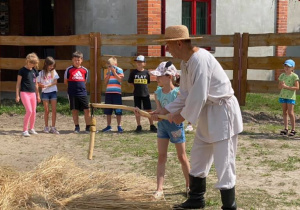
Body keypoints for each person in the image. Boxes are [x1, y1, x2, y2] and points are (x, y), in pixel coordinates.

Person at [152, 25, 243, 209]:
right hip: (207, 112)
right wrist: (165, 109)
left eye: (168, 45)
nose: (167, 49)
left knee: (224, 161)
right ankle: (196, 199)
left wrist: (182, 116)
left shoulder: (200, 59)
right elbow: (185, 94)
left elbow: (199, 94)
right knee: (199, 156)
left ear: (179, 43)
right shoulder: (186, 62)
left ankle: (229, 206)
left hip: (222, 112)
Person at [149, 61, 190, 199]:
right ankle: (159, 189)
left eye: (160, 76)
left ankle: (189, 186)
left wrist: (173, 115)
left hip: (175, 127)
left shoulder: (177, 93)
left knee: (182, 156)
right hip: (163, 128)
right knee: (161, 156)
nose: (157, 78)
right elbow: (160, 112)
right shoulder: (158, 93)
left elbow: (181, 111)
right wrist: (154, 115)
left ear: (169, 77)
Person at [128, 55, 157, 133]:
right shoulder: (133, 73)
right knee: (137, 110)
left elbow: (147, 82)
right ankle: (138, 125)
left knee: (149, 110)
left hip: (145, 94)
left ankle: (152, 125)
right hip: (137, 94)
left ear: (144, 63)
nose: (139, 63)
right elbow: (130, 82)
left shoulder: (146, 72)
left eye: (141, 62)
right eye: (138, 62)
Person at [64, 51, 91, 133]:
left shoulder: (85, 70)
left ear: (81, 60)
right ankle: (77, 127)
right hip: (72, 93)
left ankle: (87, 127)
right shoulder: (69, 69)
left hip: (82, 93)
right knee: (74, 110)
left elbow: (84, 81)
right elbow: (66, 81)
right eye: (75, 60)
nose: (77, 62)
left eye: (78, 60)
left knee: (87, 110)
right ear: (72, 60)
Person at [16, 53, 41, 137]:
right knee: (29, 111)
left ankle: (31, 128)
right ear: (27, 61)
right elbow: (18, 84)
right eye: (31, 63)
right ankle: (24, 130)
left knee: (33, 111)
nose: (32, 65)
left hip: (33, 93)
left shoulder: (34, 71)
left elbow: (36, 84)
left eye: (34, 63)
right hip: (24, 93)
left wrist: (38, 95)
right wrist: (17, 95)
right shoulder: (22, 70)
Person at [37, 56, 60, 134]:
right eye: (50, 65)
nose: (52, 67)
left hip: (53, 92)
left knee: (54, 110)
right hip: (45, 93)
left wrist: (48, 85)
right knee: (46, 111)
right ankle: (46, 126)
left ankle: (53, 127)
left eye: (53, 66)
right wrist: (41, 86)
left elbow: (55, 82)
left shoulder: (54, 72)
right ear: (46, 64)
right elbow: (38, 83)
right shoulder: (41, 73)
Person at [101, 57, 124, 133]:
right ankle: (108, 126)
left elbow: (120, 80)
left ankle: (119, 126)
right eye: (108, 66)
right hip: (109, 93)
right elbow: (105, 82)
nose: (110, 67)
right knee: (108, 110)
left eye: (111, 66)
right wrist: (108, 73)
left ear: (115, 65)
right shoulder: (108, 72)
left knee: (118, 110)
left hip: (116, 93)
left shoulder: (119, 70)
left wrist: (114, 72)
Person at [278, 59, 299, 136]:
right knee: (284, 112)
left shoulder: (294, 76)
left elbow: (297, 87)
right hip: (283, 96)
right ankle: (286, 128)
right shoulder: (282, 75)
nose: (286, 68)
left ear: (292, 68)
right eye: (285, 66)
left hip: (290, 97)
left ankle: (293, 129)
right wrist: (281, 85)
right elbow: (279, 87)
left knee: (290, 112)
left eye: (289, 66)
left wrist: (286, 87)